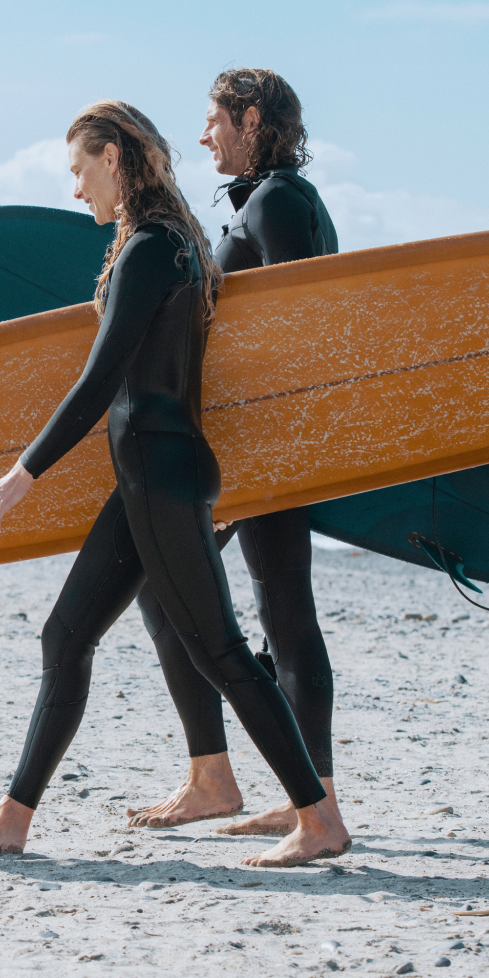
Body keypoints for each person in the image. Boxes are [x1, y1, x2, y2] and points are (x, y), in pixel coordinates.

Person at [0, 100, 349, 868]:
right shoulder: (174, 242)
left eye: (81, 170)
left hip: (162, 474)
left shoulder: (153, 247)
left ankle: (318, 817)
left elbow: (102, 375)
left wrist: (25, 472)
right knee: (67, 635)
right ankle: (12, 816)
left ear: (114, 159)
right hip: (151, 474)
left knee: (221, 650)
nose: (77, 189)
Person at [125, 68, 344, 839]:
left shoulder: (280, 202)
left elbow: (295, 326)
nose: (203, 134)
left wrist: (267, 471)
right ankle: (290, 788)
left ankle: (230, 779)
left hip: (269, 446)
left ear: (250, 119)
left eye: (213, 118)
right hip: (265, 444)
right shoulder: (274, 199)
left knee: (179, 587)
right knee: (280, 610)